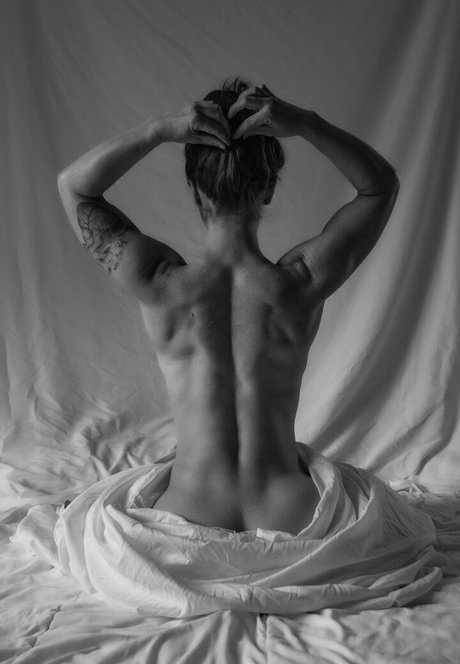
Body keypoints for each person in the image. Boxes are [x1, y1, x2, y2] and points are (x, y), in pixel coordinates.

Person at [57, 77, 400, 536]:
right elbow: (380, 186)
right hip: (292, 515)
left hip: (191, 510)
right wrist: (305, 123)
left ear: (194, 188)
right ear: (269, 189)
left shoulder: (159, 281)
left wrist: (158, 129)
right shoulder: (302, 281)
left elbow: (74, 187)